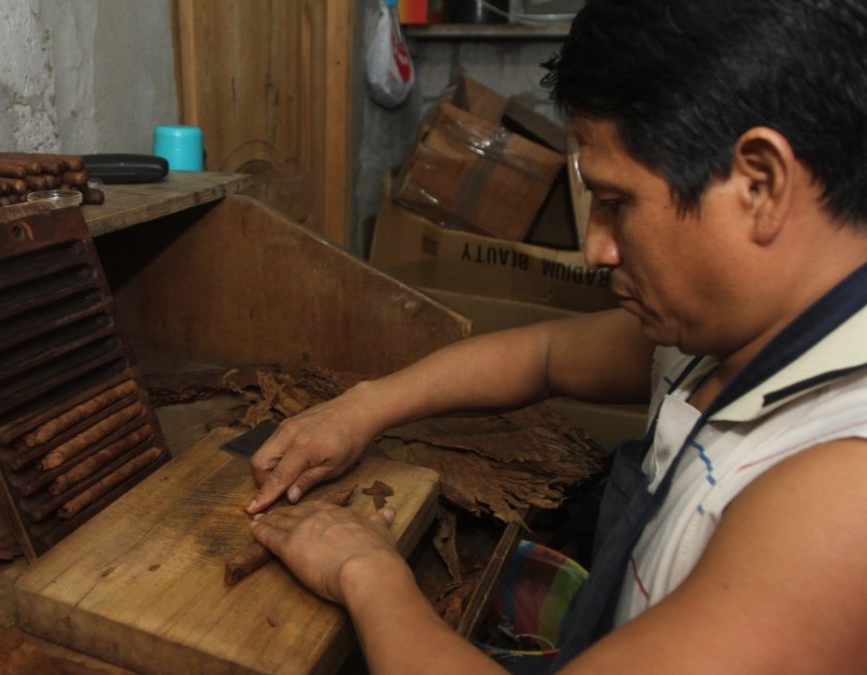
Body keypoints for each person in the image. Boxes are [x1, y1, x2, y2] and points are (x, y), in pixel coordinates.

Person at [243, 0, 867, 672]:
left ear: (760, 183)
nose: (597, 249)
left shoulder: (839, 498)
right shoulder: (725, 337)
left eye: (617, 203)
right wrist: (362, 406)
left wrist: (365, 568)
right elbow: (543, 356)